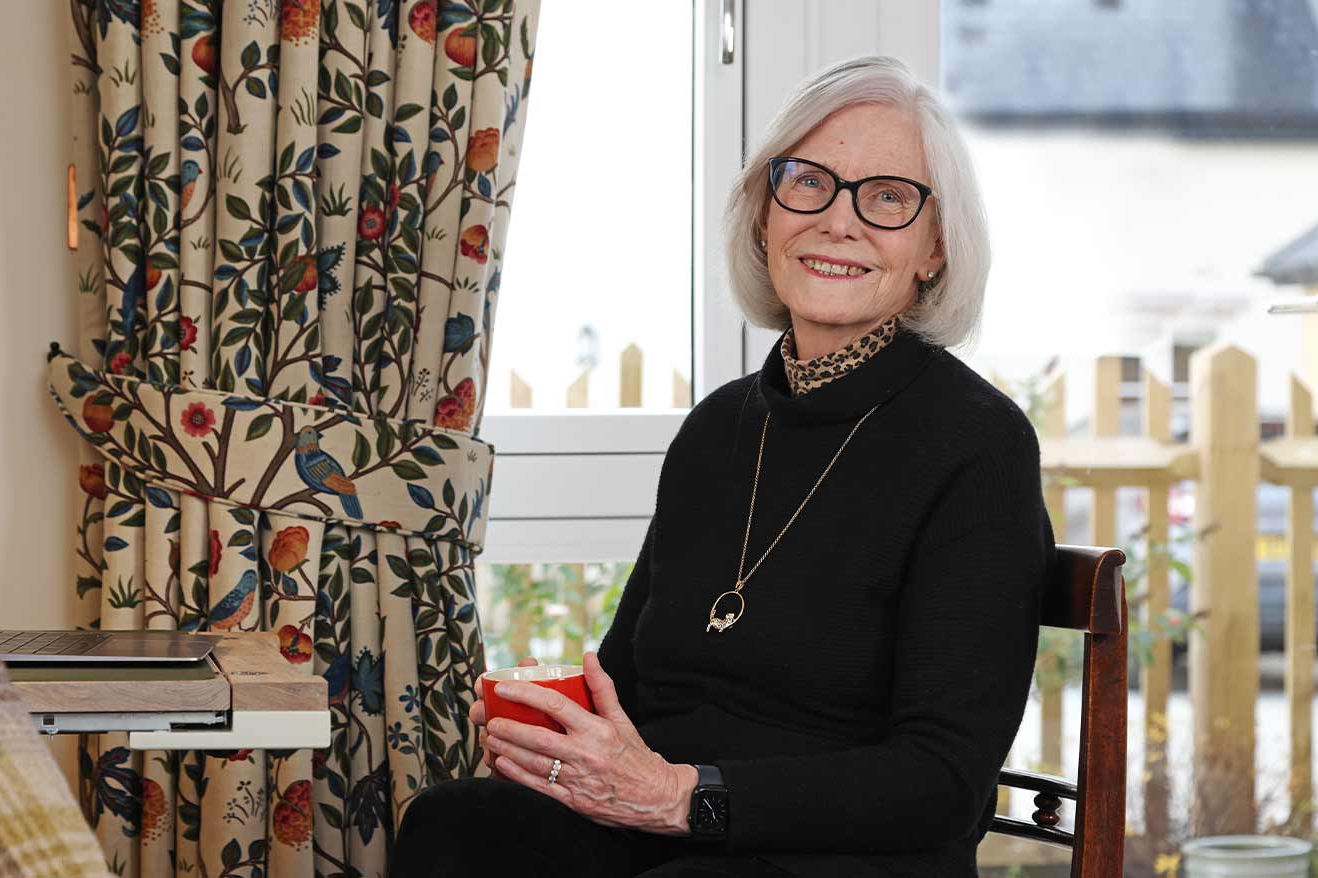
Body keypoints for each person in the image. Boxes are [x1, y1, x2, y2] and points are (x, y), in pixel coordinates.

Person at [391, 55, 1055, 878]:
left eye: (888, 196)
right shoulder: (717, 429)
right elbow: (631, 684)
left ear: (935, 249)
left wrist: (684, 797)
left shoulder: (979, 443)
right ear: (762, 216)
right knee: (455, 827)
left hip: (854, 852)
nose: (838, 221)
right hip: (671, 833)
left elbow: (943, 780)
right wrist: (558, 738)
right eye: (807, 182)